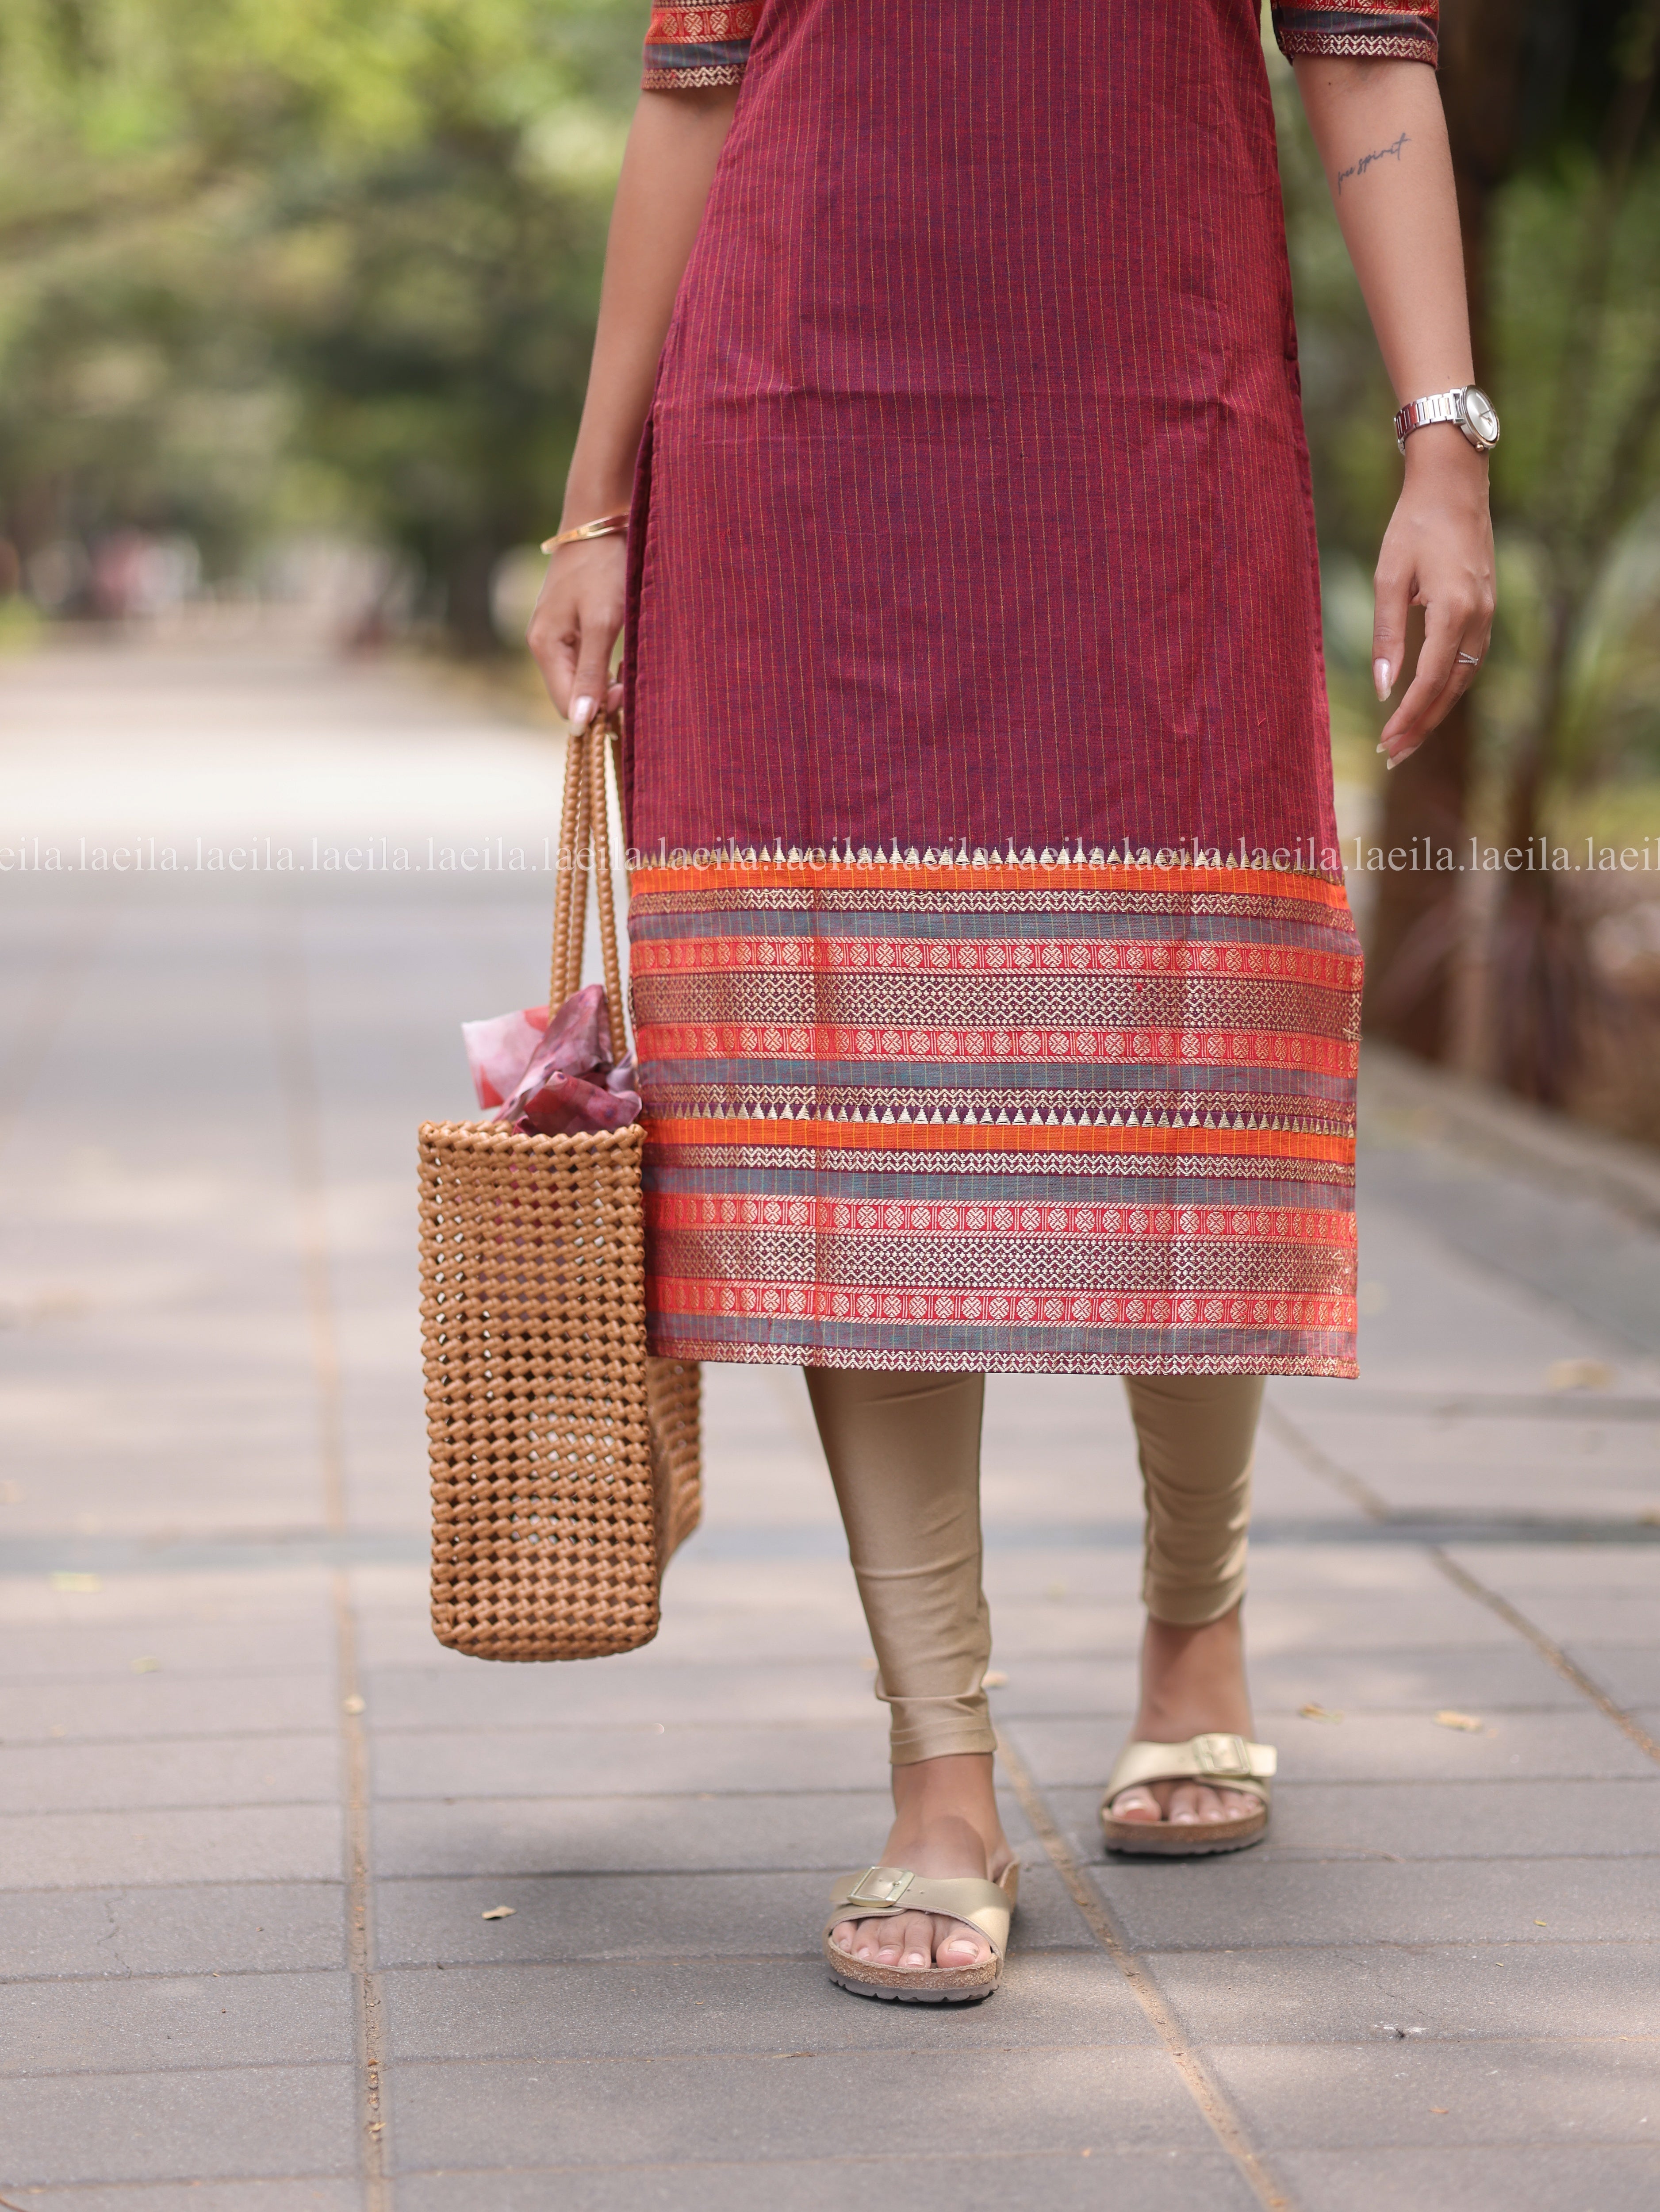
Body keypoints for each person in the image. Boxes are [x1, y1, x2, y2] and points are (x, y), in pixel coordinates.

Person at [529, 0, 1495, 2002]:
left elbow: (1369, 42)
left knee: (1183, 1045)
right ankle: (940, 1767)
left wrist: (1443, 442)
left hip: (1156, 407)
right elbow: (692, 85)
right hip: (793, 412)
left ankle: (1195, 1614)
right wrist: (596, 501)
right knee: (844, 1086)